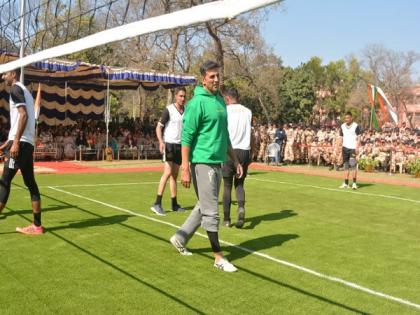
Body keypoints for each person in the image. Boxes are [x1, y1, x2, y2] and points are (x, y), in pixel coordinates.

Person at [169, 61, 243, 272]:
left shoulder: (220, 100)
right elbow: (187, 137)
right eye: (212, 76)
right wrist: (185, 167)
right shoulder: (196, 103)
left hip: (218, 161)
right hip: (202, 162)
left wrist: (235, 160)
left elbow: (224, 134)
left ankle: (179, 238)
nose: (216, 79)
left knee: (204, 205)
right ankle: (218, 257)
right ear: (203, 79)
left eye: (218, 76)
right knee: (212, 212)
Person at [0, 68, 43, 234]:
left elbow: (23, 115)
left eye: (5, 73)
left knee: (5, 181)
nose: (3, 76)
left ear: (13, 75)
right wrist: (8, 143)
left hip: (22, 144)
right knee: (31, 183)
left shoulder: (15, 89)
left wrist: (16, 142)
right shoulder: (26, 92)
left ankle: (37, 226)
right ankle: (37, 226)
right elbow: (23, 118)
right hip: (27, 144)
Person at [151, 87, 187, 215]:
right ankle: (157, 203)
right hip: (169, 145)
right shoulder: (169, 110)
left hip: (179, 146)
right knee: (167, 173)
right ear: (176, 96)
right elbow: (158, 128)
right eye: (180, 96)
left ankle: (174, 204)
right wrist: (161, 142)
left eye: (184, 96)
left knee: (174, 175)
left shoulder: (186, 111)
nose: (183, 98)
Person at [221, 87, 253, 228]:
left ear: (227, 98)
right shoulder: (248, 111)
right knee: (240, 184)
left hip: (230, 150)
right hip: (244, 150)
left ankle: (227, 220)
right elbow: (252, 134)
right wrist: (252, 152)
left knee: (227, 185)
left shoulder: (224, 111)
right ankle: (240, 208)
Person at [339, 112, 361, 190]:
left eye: (348, 118)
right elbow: (341, 137)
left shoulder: (356, 126)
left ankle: (354, 183)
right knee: (346, 166)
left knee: (353, 165)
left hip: (352, 149)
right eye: (345, 118)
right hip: (345, 148)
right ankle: (346, 183)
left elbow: (359, 137)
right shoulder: (342, 126)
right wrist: (339, 146)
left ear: (351, 118)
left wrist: (357, 147)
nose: (346, 119)